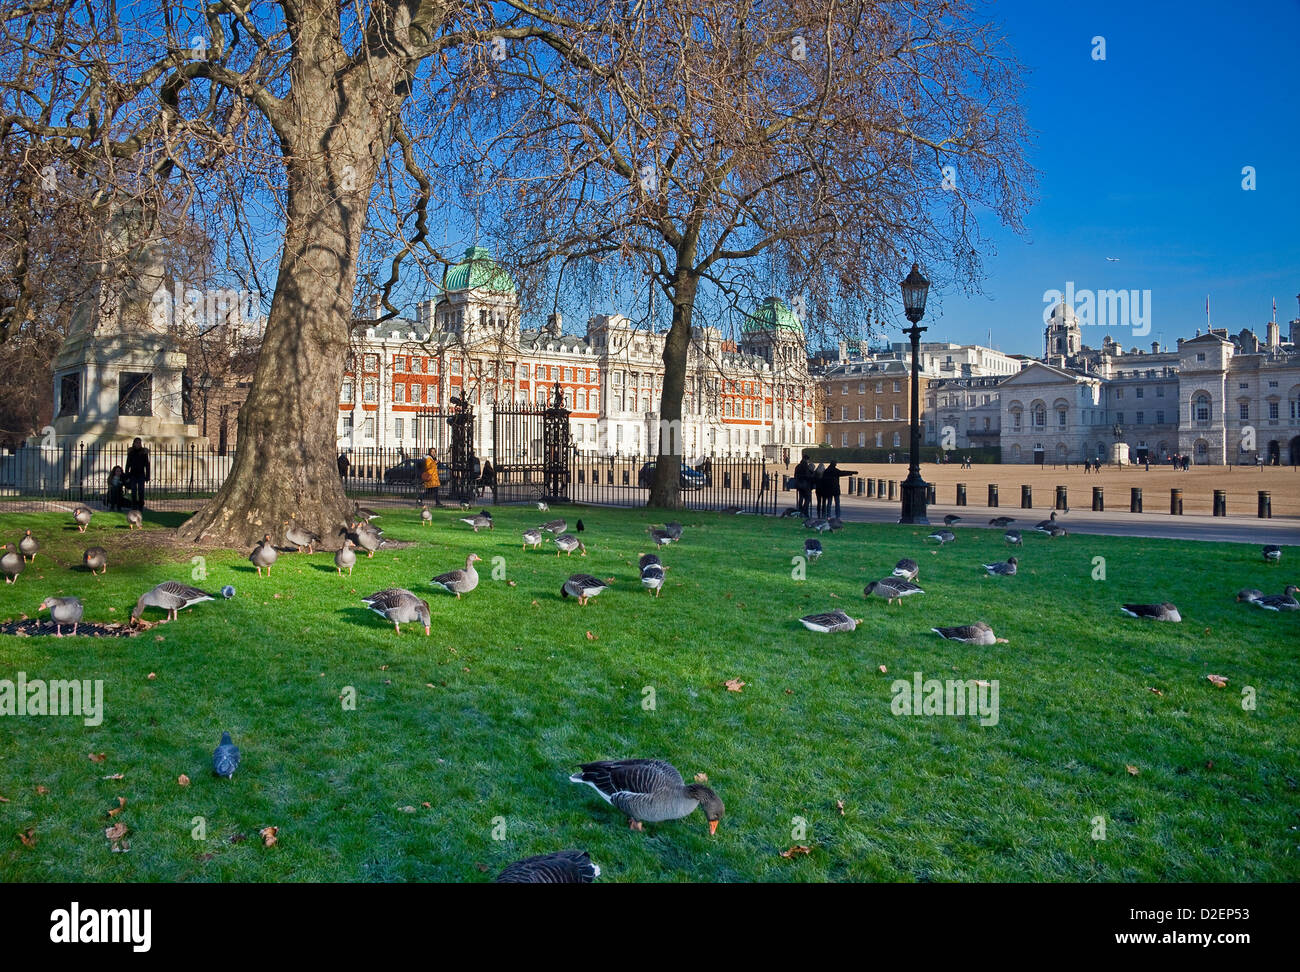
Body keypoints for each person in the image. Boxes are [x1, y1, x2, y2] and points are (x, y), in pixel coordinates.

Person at [125, 437, 150, 510]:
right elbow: (128, 464)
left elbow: (147, 465)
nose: (138, 444)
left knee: (141, 490)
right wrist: (127, 475)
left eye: (139, 442)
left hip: (141, 474)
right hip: (133, 474)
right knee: (133, 490)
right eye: (137, 442)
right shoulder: (131, 452)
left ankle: (141, 504)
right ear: (134, 443)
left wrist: (147, 476)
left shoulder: (144, 452)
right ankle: (134, 504)